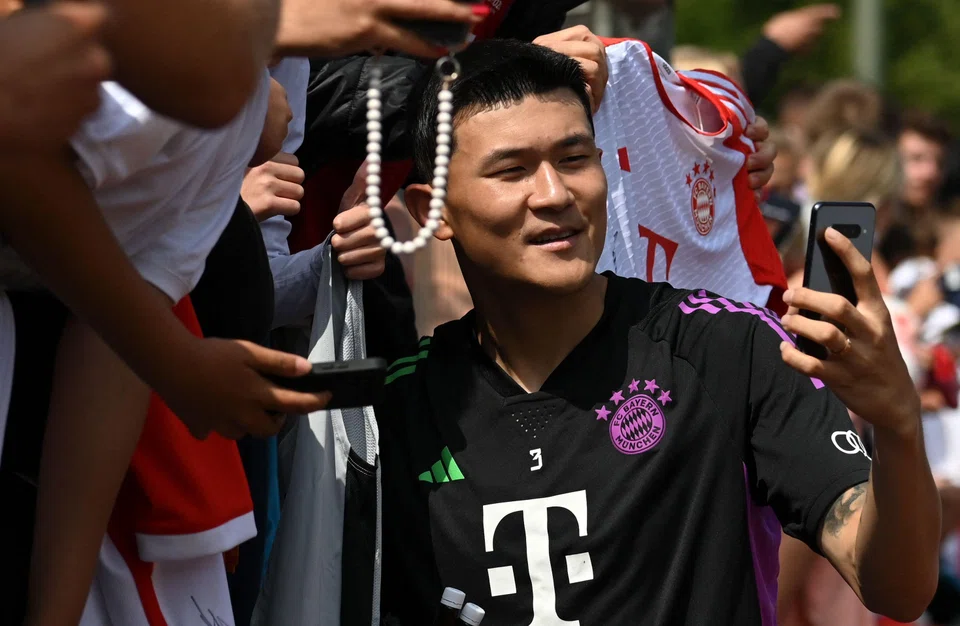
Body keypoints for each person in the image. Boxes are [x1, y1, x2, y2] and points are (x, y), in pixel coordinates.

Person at [377, 39, 940, 625]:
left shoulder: (732, 348)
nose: (554, 195)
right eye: (511, 170)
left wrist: (898, 423)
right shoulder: (397, 408)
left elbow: (897, 589)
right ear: (432, 209)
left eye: (574, 159)